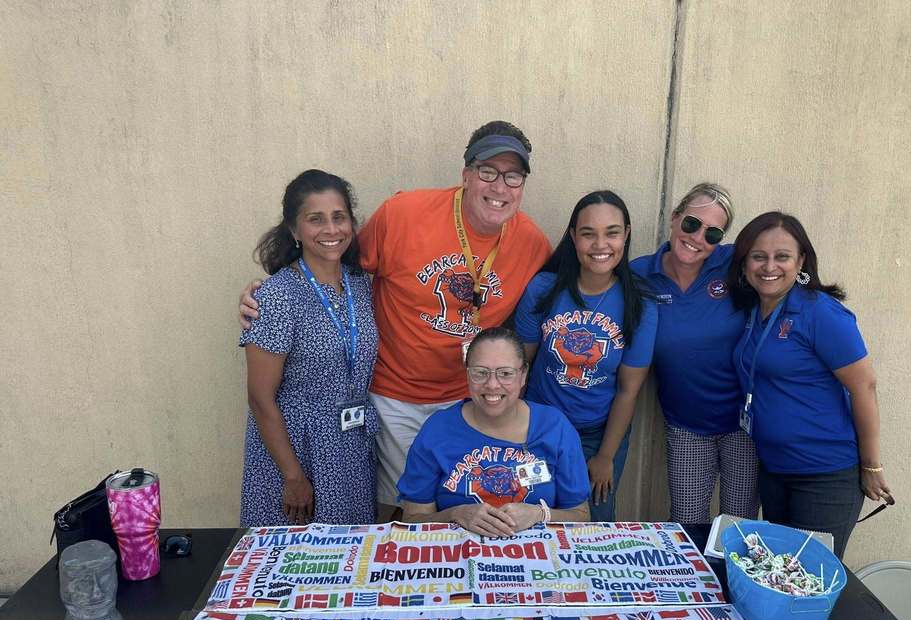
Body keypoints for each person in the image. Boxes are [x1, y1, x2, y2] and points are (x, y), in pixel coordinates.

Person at [240, 122, 551, 515]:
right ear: (467, 175)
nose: (499, 187)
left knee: (463, 505)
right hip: (394, 400)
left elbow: (570, 292)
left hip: (468, 399)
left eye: (513, 176)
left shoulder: (534, 244)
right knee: (398, 511)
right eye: (488, 171)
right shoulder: (403, 214)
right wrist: (267, 293)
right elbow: (334, 261)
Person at [726, 211, 894, 558]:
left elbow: (864, 387)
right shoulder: (755, 311)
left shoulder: (821, 313)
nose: (769, 266)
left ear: (801, 260)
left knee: (809, 581)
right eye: (758, 256)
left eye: (782, 256)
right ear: (744, 263)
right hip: (774, 471)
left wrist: (872, 465)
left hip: (824, 476)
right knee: (780, 576)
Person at [240, 169, 378, 527]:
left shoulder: (361, 286)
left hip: (350, 446)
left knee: (348, 561)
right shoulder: (277, 296)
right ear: (294, 229)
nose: (331, 230)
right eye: (315, 219)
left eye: (339, 217)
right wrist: (292, 476)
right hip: (297, 450)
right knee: (296, 563)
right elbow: (259, 397)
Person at [514, 190, 656, 521]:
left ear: (627, 235)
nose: (600, 244)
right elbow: (520, 368)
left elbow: (628, 390)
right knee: (531, 512)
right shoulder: (544, 289)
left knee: (593, 521)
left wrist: (606, 456)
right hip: (538, 427)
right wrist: (515, 435)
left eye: (612, 233)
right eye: (589, 233)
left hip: (598, 433)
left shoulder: (641, 304)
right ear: (574, 237)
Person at [630, 183, 759, 524]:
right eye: (691, 223)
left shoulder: (732, 264)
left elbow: (781, 274)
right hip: (687, 426)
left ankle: (731, 581)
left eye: (712, 233)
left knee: (741, 527)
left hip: (744, 427)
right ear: (675, 219)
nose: (698, 237)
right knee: (687, 527)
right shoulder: (640, 274)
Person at [397, 327, 590, 536]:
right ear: (467, 373)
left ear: (523, 374)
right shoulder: (437, 430)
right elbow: (412, 520)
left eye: (505, 373)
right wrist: (456, 514)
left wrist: (540, 514)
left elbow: (580, 515)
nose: (492, 385)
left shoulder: (555, 427)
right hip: (457, 559)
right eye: (480, 373)